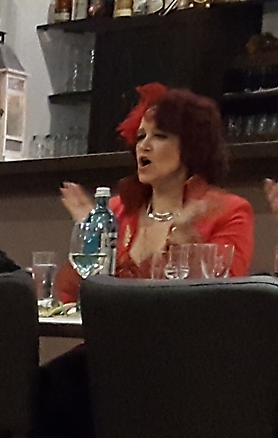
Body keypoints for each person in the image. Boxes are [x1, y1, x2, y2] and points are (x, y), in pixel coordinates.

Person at [58, 85, 253, 299]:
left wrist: (189, 250)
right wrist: (90, 239)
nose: (144, 146)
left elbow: (223, 299)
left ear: (191, 146)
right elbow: (69, 296)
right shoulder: (116, 210)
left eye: (159, 136)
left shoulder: (228, 211)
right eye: (141, 136)